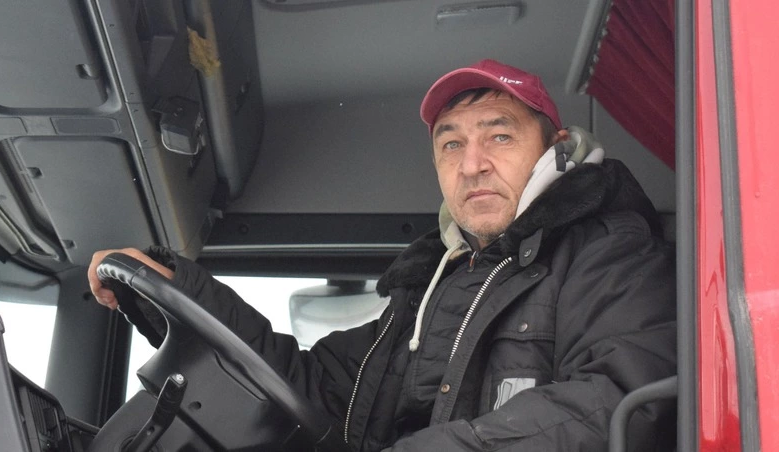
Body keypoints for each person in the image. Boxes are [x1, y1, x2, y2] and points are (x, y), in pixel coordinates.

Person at [89, 59, 676, 451]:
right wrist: (175, 287)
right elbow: (310, 386)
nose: (472, 164)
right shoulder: (427, 295)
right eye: (452, 143)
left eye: (499, 135)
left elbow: (618, 400)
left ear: (555, 149)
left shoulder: (608, 250)